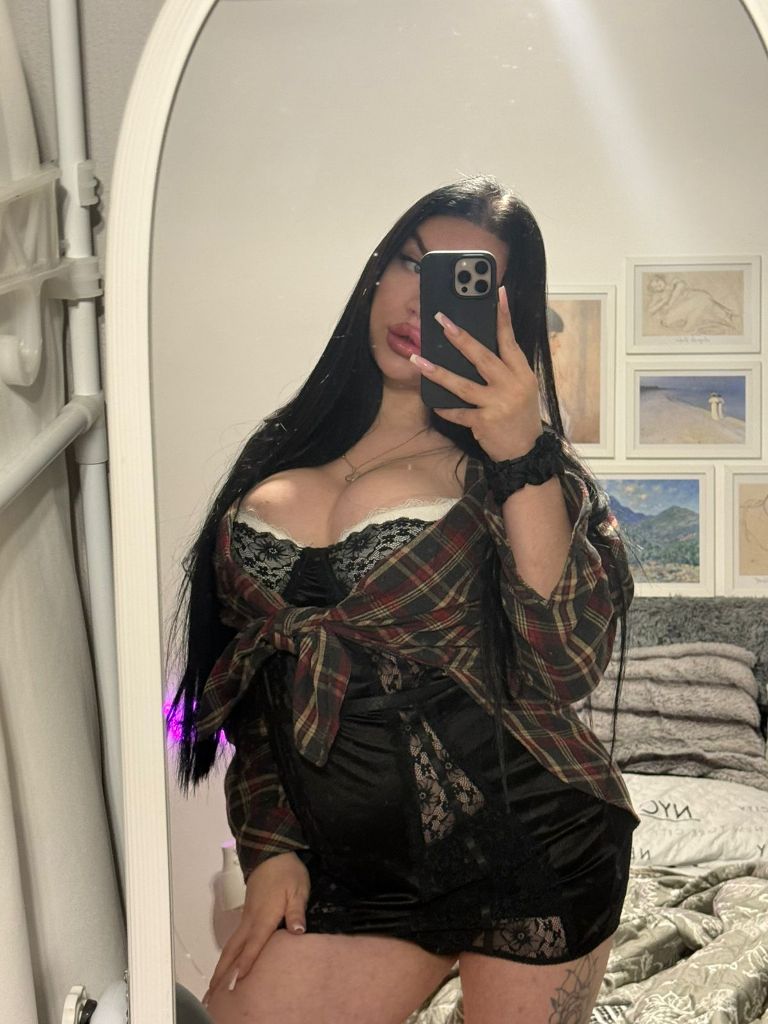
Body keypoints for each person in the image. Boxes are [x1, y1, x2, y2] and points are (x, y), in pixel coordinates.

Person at [167, 175, 639, 1024]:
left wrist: (522, 454)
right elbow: (259, 704)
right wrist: (271, 848)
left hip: (534, 846)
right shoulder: (278, 454)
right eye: (410, 262)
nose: (421, 299)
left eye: (463, 282)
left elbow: (562, 667)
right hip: (354, 874)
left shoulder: (519, 475)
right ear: (376, 272)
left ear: (507, 316)